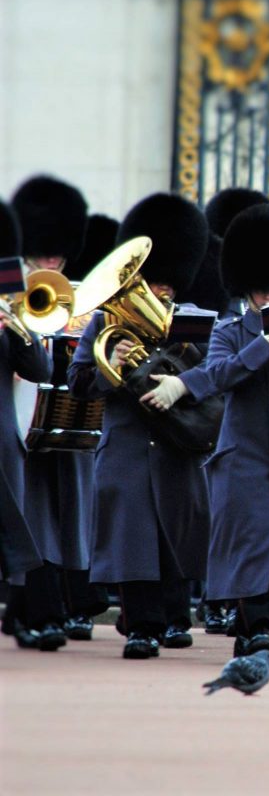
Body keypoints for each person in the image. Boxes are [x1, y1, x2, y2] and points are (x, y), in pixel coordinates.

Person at [68, 193, 214, 659]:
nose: (163, 289)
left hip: (175, 443)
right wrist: (110, 362)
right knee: (132, 537)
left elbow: (214, 376)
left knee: (174, 533)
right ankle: (140, 626)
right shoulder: (106, 320)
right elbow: (78, 382)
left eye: (170, 282)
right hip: (128, 442)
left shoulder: (193, 323)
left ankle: (174, 617)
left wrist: (180, 379)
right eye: (156, 281)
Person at [200, 204, 269, 657]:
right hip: (246, 452)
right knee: (252, 542)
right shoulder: (228, 331)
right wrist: (262, 348)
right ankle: (254, 625)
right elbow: (218, 377)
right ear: (248, 291)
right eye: (262, 291)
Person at [5, 176, 93, 651]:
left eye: (59, 250)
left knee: (48, 516)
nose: (53, 258)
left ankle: (37, 609)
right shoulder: (9, 290)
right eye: (45, 250)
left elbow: (50, 363)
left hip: (51, 417)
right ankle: (30, 609)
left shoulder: (70, 294)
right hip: (13, 418)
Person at [0, 198, 54, 649]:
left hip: (4, 440)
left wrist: (20, 329)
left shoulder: (8, 318)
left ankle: (15, 614)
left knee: (14, 527)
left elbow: (41, 370)